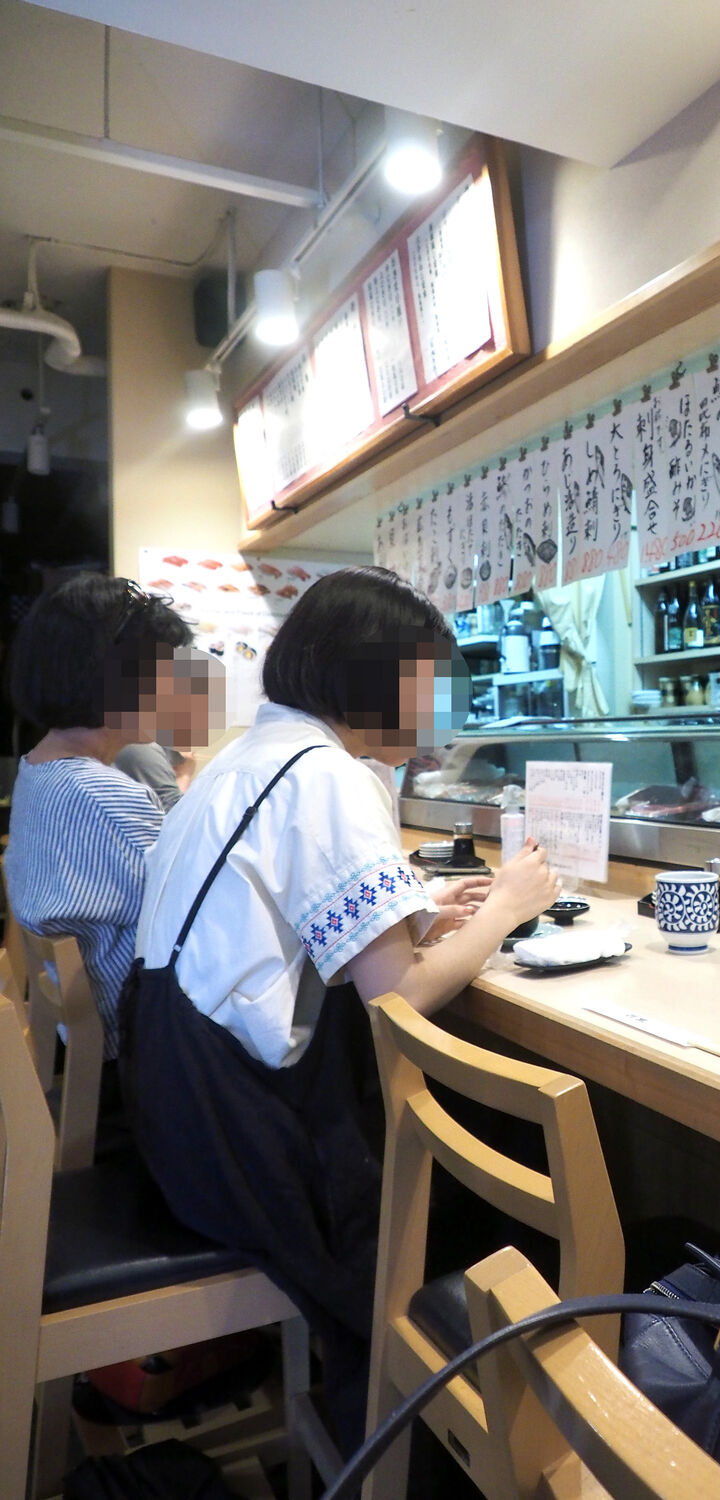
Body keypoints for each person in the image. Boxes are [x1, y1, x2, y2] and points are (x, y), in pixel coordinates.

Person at [124, 566, 558, 1453]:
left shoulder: (253, 753)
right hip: (241, 1145)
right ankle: (445, 1438)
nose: (436, 708)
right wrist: (510, 908)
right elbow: (399, 995)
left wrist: (420, 912)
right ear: (375, 678)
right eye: (427, 681)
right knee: (492, 1178)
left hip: (173, 1114)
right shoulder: (325, 773)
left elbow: (285, 924)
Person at [4, 575, 200, 1060]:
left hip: (80, 1023)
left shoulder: (37, 766)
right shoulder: (106, 795)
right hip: (136, 1040)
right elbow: (199, 914)